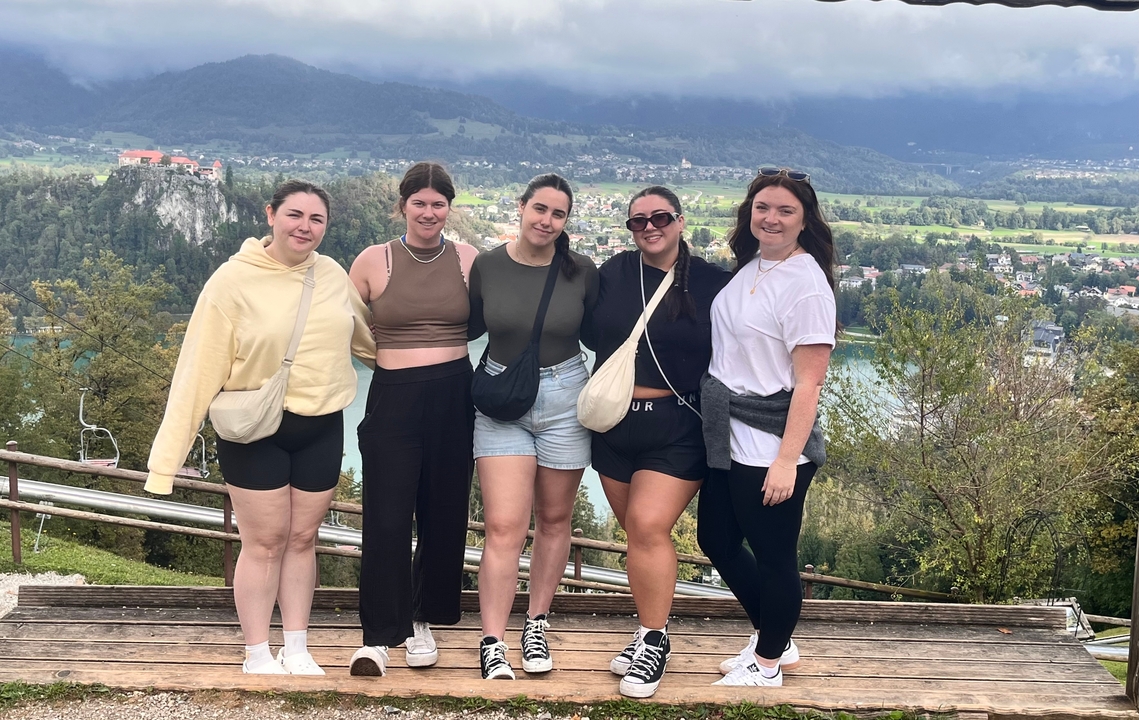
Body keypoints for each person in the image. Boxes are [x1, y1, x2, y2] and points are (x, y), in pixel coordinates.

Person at [146, 180, 375, 675]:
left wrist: (425, 370)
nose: (305, 227)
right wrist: (165, 464)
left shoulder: (332, 274)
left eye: (316, 219)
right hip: (255, 429)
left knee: (302, 540)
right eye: (295, 215)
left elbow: (368, 340)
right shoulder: (231, 282)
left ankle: (296, 646)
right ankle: (256, 652)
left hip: (321, 424)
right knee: (264, 542)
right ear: (271, 215)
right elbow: (196, 372)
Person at [585, 186, 730, 698]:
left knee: (648, 525)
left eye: (660, 217)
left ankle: (652, 641)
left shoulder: (713, 281)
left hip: (678, 425)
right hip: (613, 425)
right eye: (637, 220)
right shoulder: (613, 274)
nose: (649, 226)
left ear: (680, 221)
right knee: (639, 538)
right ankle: (653, 626)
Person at [697, 167, 836, 688]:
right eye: (763, 207)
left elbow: (809, 385)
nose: (771, 218)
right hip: (726, 435)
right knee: (717, 539)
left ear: (805, 220)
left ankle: (769, 664)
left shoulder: (806, 285)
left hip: (771, 443)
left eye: (785, 210)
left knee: (777, 557)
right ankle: (773, 638)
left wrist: (785, 460)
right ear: (749, 212)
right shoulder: (753, 265)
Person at [347, 161, 479, 676]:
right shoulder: (372, 261)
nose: (429, 212)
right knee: (386, 514)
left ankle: (423, 620)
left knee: (443, 512)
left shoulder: (469, 258)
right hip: (393, 395)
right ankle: (379, 634)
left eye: (438, 203)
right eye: (419, 202)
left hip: (454, 393)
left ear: (450, 208)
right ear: (402, 205)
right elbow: (338, 324)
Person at [468, 173, 598, 680]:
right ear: (521, 208)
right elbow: (461, 325)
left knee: (554, 520)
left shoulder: (581, 271)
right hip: (502, 400)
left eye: (558, 214)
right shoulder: (487, 265)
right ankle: (492, 639)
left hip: (567, 396)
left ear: (567, 221)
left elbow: (604, 332)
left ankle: (537, 623)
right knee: (503, 526)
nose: (547, 220)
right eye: (539, 209)